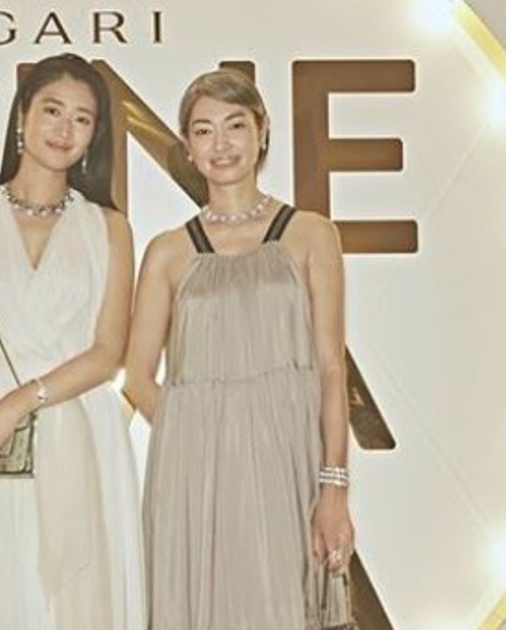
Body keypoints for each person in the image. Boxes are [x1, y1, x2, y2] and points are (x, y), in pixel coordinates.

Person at [0, 53, 145, 630]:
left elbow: (107, 353)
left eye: (83, 119)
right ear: (22, 117)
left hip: (78, 430)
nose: (64, 129)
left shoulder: (108, 227)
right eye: (52, 111)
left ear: (95, 135)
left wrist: (13, 406)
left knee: (77, 606)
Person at [124, 69, 356, 629]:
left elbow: (330, 368)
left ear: (262, 131)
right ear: (187, 146)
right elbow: (136, 377)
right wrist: (201, 433)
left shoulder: (311, 234)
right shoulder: (168, 252)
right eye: (203, 131)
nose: (221, 144)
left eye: (235, 125)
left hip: (288, 467)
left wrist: (333, 488)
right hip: (195, 479)